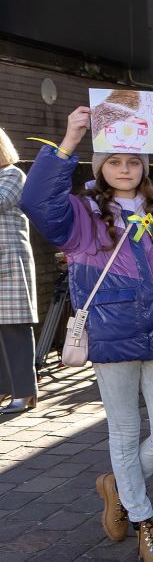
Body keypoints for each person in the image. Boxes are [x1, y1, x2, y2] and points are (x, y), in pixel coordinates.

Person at [21, 106, 153, 562]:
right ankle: (145, 522)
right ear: (101, 169)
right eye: (114, 162)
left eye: (132, 162)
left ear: (144, 167)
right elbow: (35, 201)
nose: (124, 169)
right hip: (111, 339)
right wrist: (70, 140)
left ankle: (118, 485)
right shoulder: (79, 214)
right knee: (124, 431)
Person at [0, 127, 39, 413]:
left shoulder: (12, 174)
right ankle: (5, 389)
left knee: (15, 327)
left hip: (10, 262)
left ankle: (25, 392)